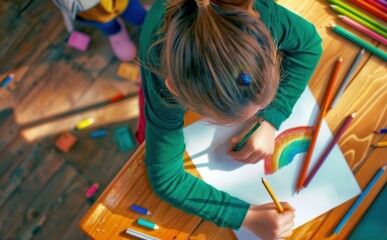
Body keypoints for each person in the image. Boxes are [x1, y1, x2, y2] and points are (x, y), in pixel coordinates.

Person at [137, 0, 323, 238]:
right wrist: (246, 217)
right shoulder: (160, 68)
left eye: (260, 106)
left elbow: (309, 46)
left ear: (268, 43)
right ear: (175, 90)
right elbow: (166, 178)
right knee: (144, 137)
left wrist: (271, 119)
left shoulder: (263, 17)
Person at [53, 0, 147, 61]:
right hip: (85, 8)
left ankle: (142, 18)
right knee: (103, 22)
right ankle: (115, 31)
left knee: (136, 14)